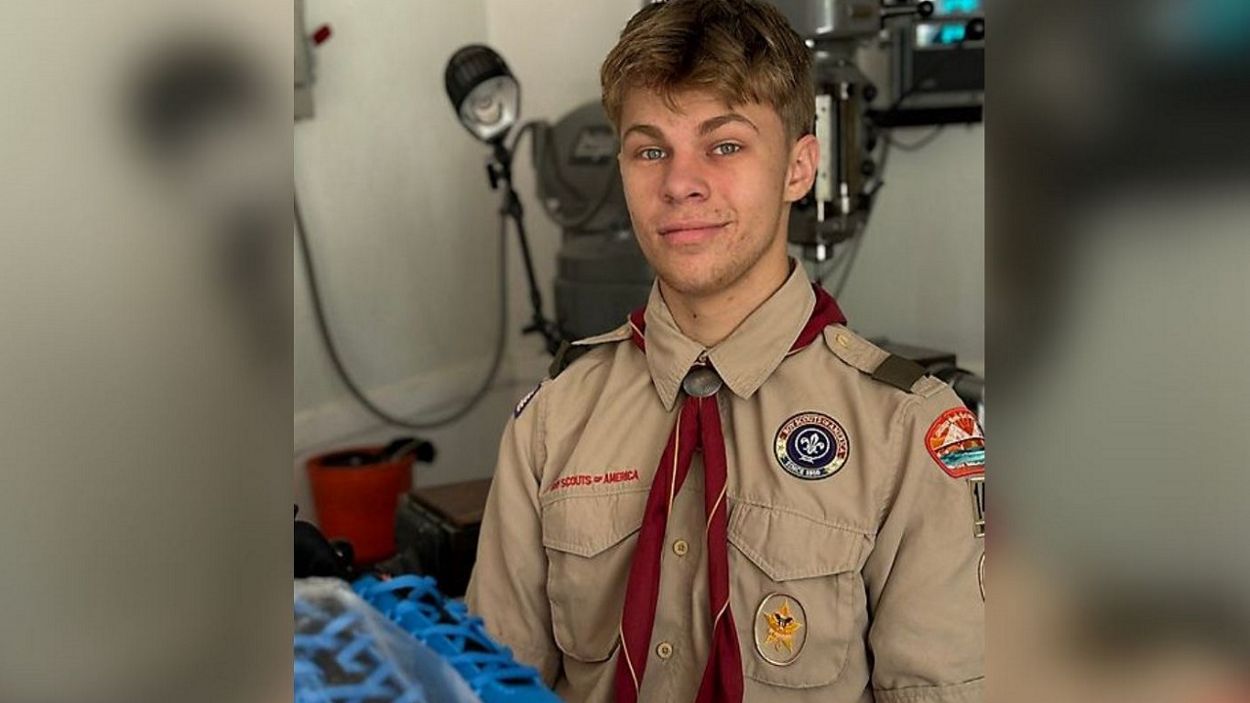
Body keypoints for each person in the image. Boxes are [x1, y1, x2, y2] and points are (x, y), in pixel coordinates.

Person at [465, 1, 985, 701]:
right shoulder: (551, 422)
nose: (680, 183)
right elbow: (492, 684)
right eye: (651, 150)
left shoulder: (907, 433)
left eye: (725, 145)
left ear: (799, 168)